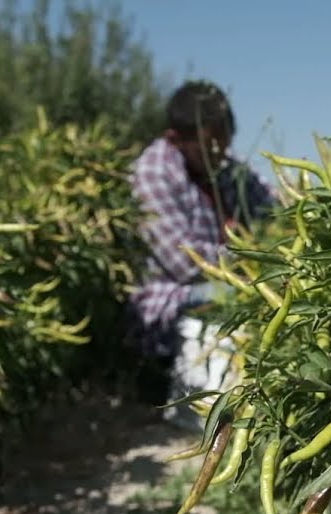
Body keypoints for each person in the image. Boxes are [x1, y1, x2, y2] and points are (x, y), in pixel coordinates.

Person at [125, 80, 278, 410]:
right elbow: (186, 263)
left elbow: (275, 208)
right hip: (175, 297)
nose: (218, 155)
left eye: (224, 143)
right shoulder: (153, 171)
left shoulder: (225, 165)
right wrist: (254, 255)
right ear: (176, 138)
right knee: (256, 294)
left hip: (229, 278)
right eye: (208, 146)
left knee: (269, 292)